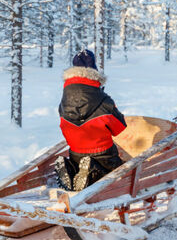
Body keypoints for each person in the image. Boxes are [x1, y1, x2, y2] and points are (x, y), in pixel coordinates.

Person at [54, 49, 127, 191]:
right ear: (94, 72)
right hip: (104, 155)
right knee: (116, 172)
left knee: (79, 160)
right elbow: (119, 128)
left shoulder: (64, 102)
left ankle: (72, 169)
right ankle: (91, 170)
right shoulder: (104, 101)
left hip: (75, 153)